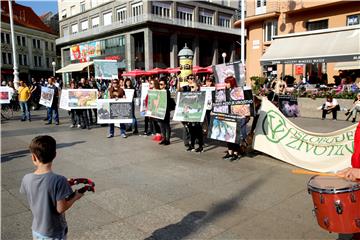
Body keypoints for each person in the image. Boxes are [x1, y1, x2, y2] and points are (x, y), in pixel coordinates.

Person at [20, 135, 83, 239]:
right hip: (54, 232)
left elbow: (41, 189)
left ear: (33, 157)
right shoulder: (59, 180)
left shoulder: (26, 178)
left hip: (37, 230)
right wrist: (75, 196)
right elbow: (61, 209)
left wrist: (62, 185)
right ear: (55, 155)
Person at [222, 76, 241, 162]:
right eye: (225, 82)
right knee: (227, 135)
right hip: (227, 114)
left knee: (235, 135)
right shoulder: (225, 91)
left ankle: (236, 153)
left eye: (227, 82)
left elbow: (241, 104)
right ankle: (230, 152)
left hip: (235, 116)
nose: (225, 84)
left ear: (231, 83)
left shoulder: (238, 91)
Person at [158, 77, 171, 145]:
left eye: (161, 84)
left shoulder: (167, 91)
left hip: (165, 111)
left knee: (166, 125)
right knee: (161, 125)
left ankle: (167, 140)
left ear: (165, 85)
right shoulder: (159, 91)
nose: (160, 85)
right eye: (159, 84)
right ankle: (163, 138)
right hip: (160, 111)